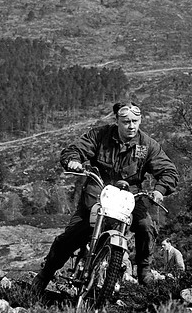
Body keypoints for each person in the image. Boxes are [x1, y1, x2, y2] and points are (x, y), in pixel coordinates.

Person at [31, 101, 179, 296]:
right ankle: (44, 275)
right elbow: (74, 149)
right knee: (69, 237)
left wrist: (159, 190)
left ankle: (144, 270)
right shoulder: (99, 135)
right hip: (98, 191)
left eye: (135, 121)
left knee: (146, 226)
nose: (131, 126)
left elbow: (169, 171)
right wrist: (73, 161)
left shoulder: (148, 145)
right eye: (126, 121)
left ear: (141, 120)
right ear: (117, 120)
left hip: (130, 196)